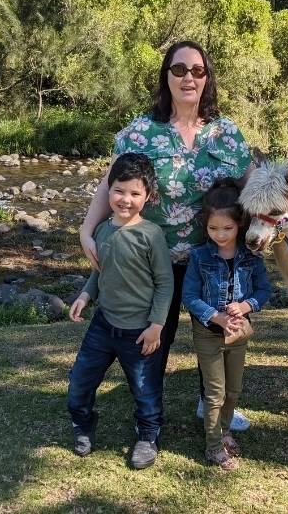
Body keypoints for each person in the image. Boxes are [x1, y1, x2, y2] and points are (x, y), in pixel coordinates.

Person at [78, 41, 253, 432]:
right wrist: (86, 230)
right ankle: (149, 413)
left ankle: (210, 402)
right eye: (179, 70)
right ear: (166, 76)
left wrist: (275, 219)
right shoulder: (140, 132)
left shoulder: (227, 134)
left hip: (213, 258)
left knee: (216, 334)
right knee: (157, 336)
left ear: (207, 78)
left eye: (197, 70)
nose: (188, 77)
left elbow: (252, 188)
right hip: (153, 259)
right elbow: (112, 184)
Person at [67, 153, 174, 469]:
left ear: (148, 197)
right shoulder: (101, 230)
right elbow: (100, 271)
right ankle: (83, 424)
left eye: (135, 193)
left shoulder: (151, 235)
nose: (125, 199)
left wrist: (157, 326)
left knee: (145, 391)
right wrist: (86, 295)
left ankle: (147, 436)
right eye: (119, 190)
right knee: (80, 384)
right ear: (108, 189)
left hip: (140, 332)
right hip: (102, 326)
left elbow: (165, 284)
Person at [182, 178, 272, 469]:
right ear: (204, 225)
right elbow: (190, 296)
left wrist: (246, 306)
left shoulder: (251, 257)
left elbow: (264, 291)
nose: (220, 235)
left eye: (228, 228)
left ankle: (224, 430)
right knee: (215, 391)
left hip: (238, 331)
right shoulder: (199, 256)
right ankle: (213, 447)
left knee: (233, 390)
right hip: (208, 332)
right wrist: (216, 316)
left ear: (241, 226)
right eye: (213, 228)